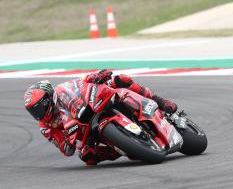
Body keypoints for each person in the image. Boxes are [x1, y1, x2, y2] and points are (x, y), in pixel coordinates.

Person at [24, 69, 178, 165]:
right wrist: (68, 142)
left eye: (39, 108)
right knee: (87, 157)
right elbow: (66, 149)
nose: (39, 114)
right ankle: (124, 147)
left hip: (94, 104)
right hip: (84, 133)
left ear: (48, 98)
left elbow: (82, 82)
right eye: (34, 112)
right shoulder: (46, 127)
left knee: (120, 80)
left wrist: (96, 76)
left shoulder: (63, 90)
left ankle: (160, 101)